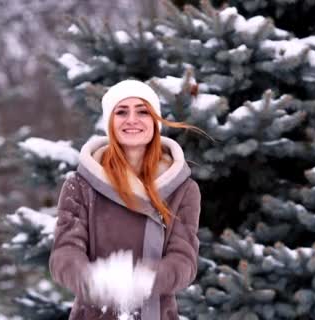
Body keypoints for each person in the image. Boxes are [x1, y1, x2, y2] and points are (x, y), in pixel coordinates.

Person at [49, 79, 202, 320]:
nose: (132, 119)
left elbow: (184, 260)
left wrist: (145, 280)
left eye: (142, 111)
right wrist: (91, 279)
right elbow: (64, 252)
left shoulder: (183, 188)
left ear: (155, 121)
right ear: (110, 122)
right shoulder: (79, 185)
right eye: (121, 112)